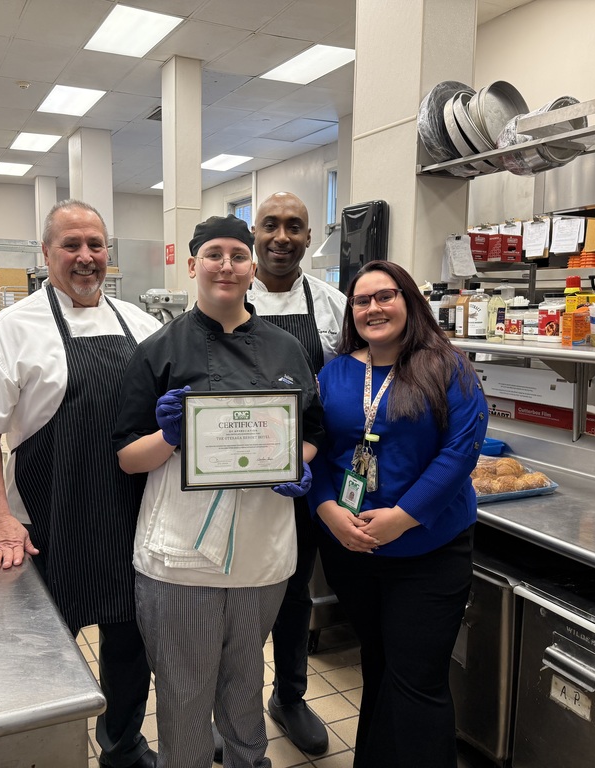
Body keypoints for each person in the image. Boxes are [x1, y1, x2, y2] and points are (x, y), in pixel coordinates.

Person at [0, 199, 161, 768]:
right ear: (46, 253)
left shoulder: (142, 325)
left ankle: (124, 745)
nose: (85, 258)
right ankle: (44, 753)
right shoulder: (13, 329)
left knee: (130, 645)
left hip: (131, 515)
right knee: (41, 652)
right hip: (48, 520)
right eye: (71, 245)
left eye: (96, 245)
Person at [112, 214, 325, 768]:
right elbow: (128, 457)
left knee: (243, 684)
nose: (225, 265)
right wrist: (168, 437)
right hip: (179, 557)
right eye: (213, 254)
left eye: (237, 254)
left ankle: (247, 761)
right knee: (183, 694)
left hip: (263, 552)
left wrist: (294, 464)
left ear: (252, 267)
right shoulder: (158, 350)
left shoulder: (286, 350)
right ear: (191, 265)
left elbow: (313, 435)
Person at [307, 260, 488, 768]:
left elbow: (461, 452)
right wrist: (327, 511)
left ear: (409, 301)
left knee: (418, 679)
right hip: (352, 548)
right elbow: (317, 448)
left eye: (385, 296)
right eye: (361, 301)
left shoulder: (448, 366)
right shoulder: (336, 372)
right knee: (379, 664)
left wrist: (402, 517)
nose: (373, 308)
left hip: (427, 550)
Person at [242, 191, 346, 757]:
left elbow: (348, 389)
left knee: (294, 592)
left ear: (309, 238)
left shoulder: (332, 305)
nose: (282, 237)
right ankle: (225, 704)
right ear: (254, 233)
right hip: (233, 475)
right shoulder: (226, 297)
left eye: (295, 227)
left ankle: (290, 695)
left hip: (304, 474)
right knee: (230, 593)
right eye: (271, 226)